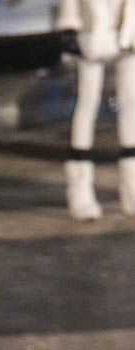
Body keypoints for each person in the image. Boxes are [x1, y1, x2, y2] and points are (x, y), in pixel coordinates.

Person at [56, 0, 135, 219]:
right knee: (86, 105)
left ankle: (132, 187)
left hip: (128, 35)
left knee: (131, 106)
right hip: (92, 37)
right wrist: (69, 27)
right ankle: (80, 192)